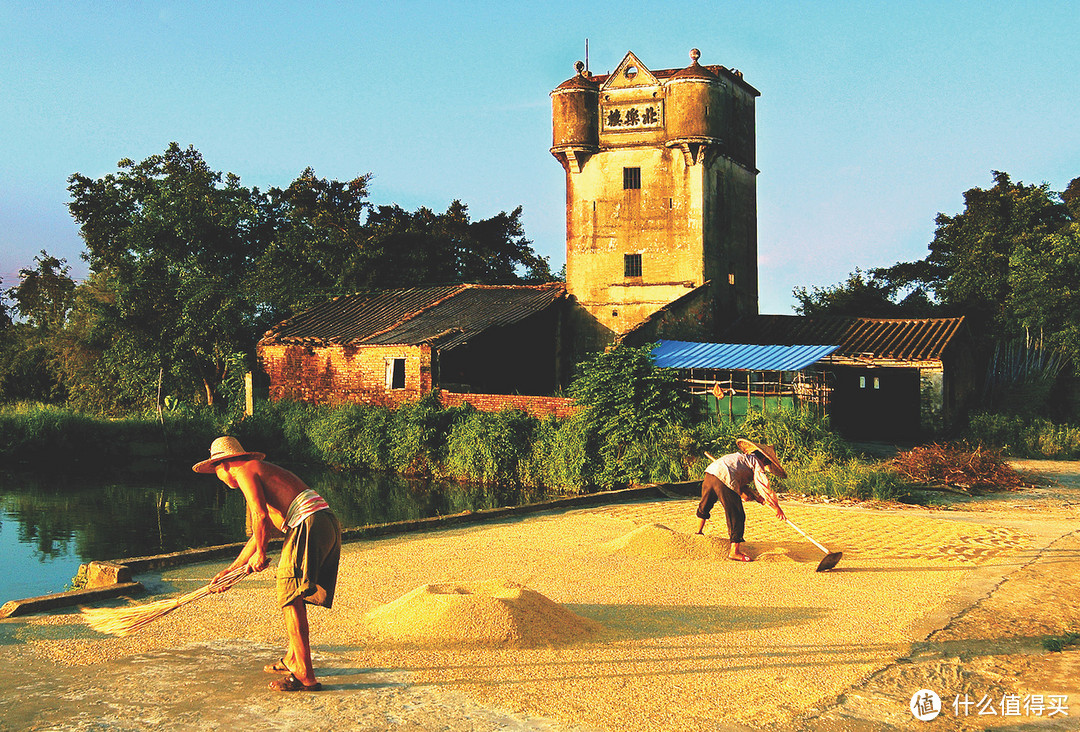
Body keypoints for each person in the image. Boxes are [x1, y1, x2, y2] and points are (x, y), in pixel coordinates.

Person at [193, 436, 341, 692]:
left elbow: (259, 516)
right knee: (290, 591)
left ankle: (304, 675)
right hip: (324, 521)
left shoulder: (244, 470)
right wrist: (233, 569)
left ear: (224, 464)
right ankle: (293, 657)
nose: (218, 475)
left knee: (289, 594)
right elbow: (265, 529)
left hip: (308, 522)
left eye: (215, 469)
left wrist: (261, 553)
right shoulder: (260, 471)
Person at [695, 438, 787, 562]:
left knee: (705, 504)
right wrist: (776, 507)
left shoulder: (742, 458)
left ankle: (698, 531)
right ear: (765, 458)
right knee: (736, 514)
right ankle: (734, 551)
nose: (766, 466)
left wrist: (755, 496)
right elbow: (763, 486)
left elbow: (741, 486)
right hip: (725, 477)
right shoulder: (757, 462)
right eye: (767, 463)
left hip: (710, 473)